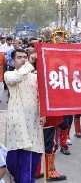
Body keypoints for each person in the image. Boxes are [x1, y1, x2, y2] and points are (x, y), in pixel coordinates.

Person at [4, 49, 44, 183]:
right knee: (14, 156)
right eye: (19, 57)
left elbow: (41, 97)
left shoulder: (35, 77)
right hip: (17, 121)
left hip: (33, 121)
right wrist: (29, 64)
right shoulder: (9, 74)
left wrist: (43, 114)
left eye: (25, 57)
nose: (23, 60)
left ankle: (26, 180)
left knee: (34, 154)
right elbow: (16, 78)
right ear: (12, 61)